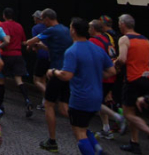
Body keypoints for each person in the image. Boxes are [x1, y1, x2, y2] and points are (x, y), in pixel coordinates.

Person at [48, 17, 116, 155]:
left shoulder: (72, 51)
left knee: (79, 132)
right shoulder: (97, 49)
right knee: (83, 128)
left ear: (73, 30)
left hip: (80, 97)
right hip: (97, 97)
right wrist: (94, 73)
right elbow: (112, 71)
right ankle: (99, 151)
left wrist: (53, 72)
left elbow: (66, 75)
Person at [115, 14, 149, 154]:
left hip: (132, 79)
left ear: (123, 24)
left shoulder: (124, 39)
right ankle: (134, 143)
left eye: (119, 23)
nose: (119, 26)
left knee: (127, 113)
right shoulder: (144, 39)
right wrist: (144, 64)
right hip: (145, 79)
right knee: (134, 112)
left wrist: (115, 64)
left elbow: (122, 59)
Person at [24, 8, 73, 153]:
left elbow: (30, 41)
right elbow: (56, 48)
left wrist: (30, 44)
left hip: (56, 72)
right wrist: (43, 47)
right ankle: (82, 127)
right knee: (64, 108)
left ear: (46, 19)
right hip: (68, 71)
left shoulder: (50, 30)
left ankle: (52, 141)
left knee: (49, 105)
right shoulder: (65, 29)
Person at [89, 19, 127, 140]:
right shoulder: (107, 40)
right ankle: (106, 129)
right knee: (101, 102)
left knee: (95, 102)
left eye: (89, 27)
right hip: (112, 75)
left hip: (102, 76)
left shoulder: (93, 41)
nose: (88, 30)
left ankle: (117, 117)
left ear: (93, 29)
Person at [0, 7, 33, 117]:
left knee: (1, 79)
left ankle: (0, 104)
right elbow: (23, 41)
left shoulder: (3, 25)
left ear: (4, 15)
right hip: (18, 55)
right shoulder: (19, 26)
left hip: (6, 55)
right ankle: (27, 100)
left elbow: (6, 40)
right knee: (19, 80)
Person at [30, 10, 50, 110]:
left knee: (36, 79)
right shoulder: (49, 28)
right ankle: (44, 102)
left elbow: (35, 42)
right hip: (51, 56)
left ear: (37, 18)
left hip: (42, 55)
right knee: (44, 79)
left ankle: (49, 96)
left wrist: (30, 46)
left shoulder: (36, 28)